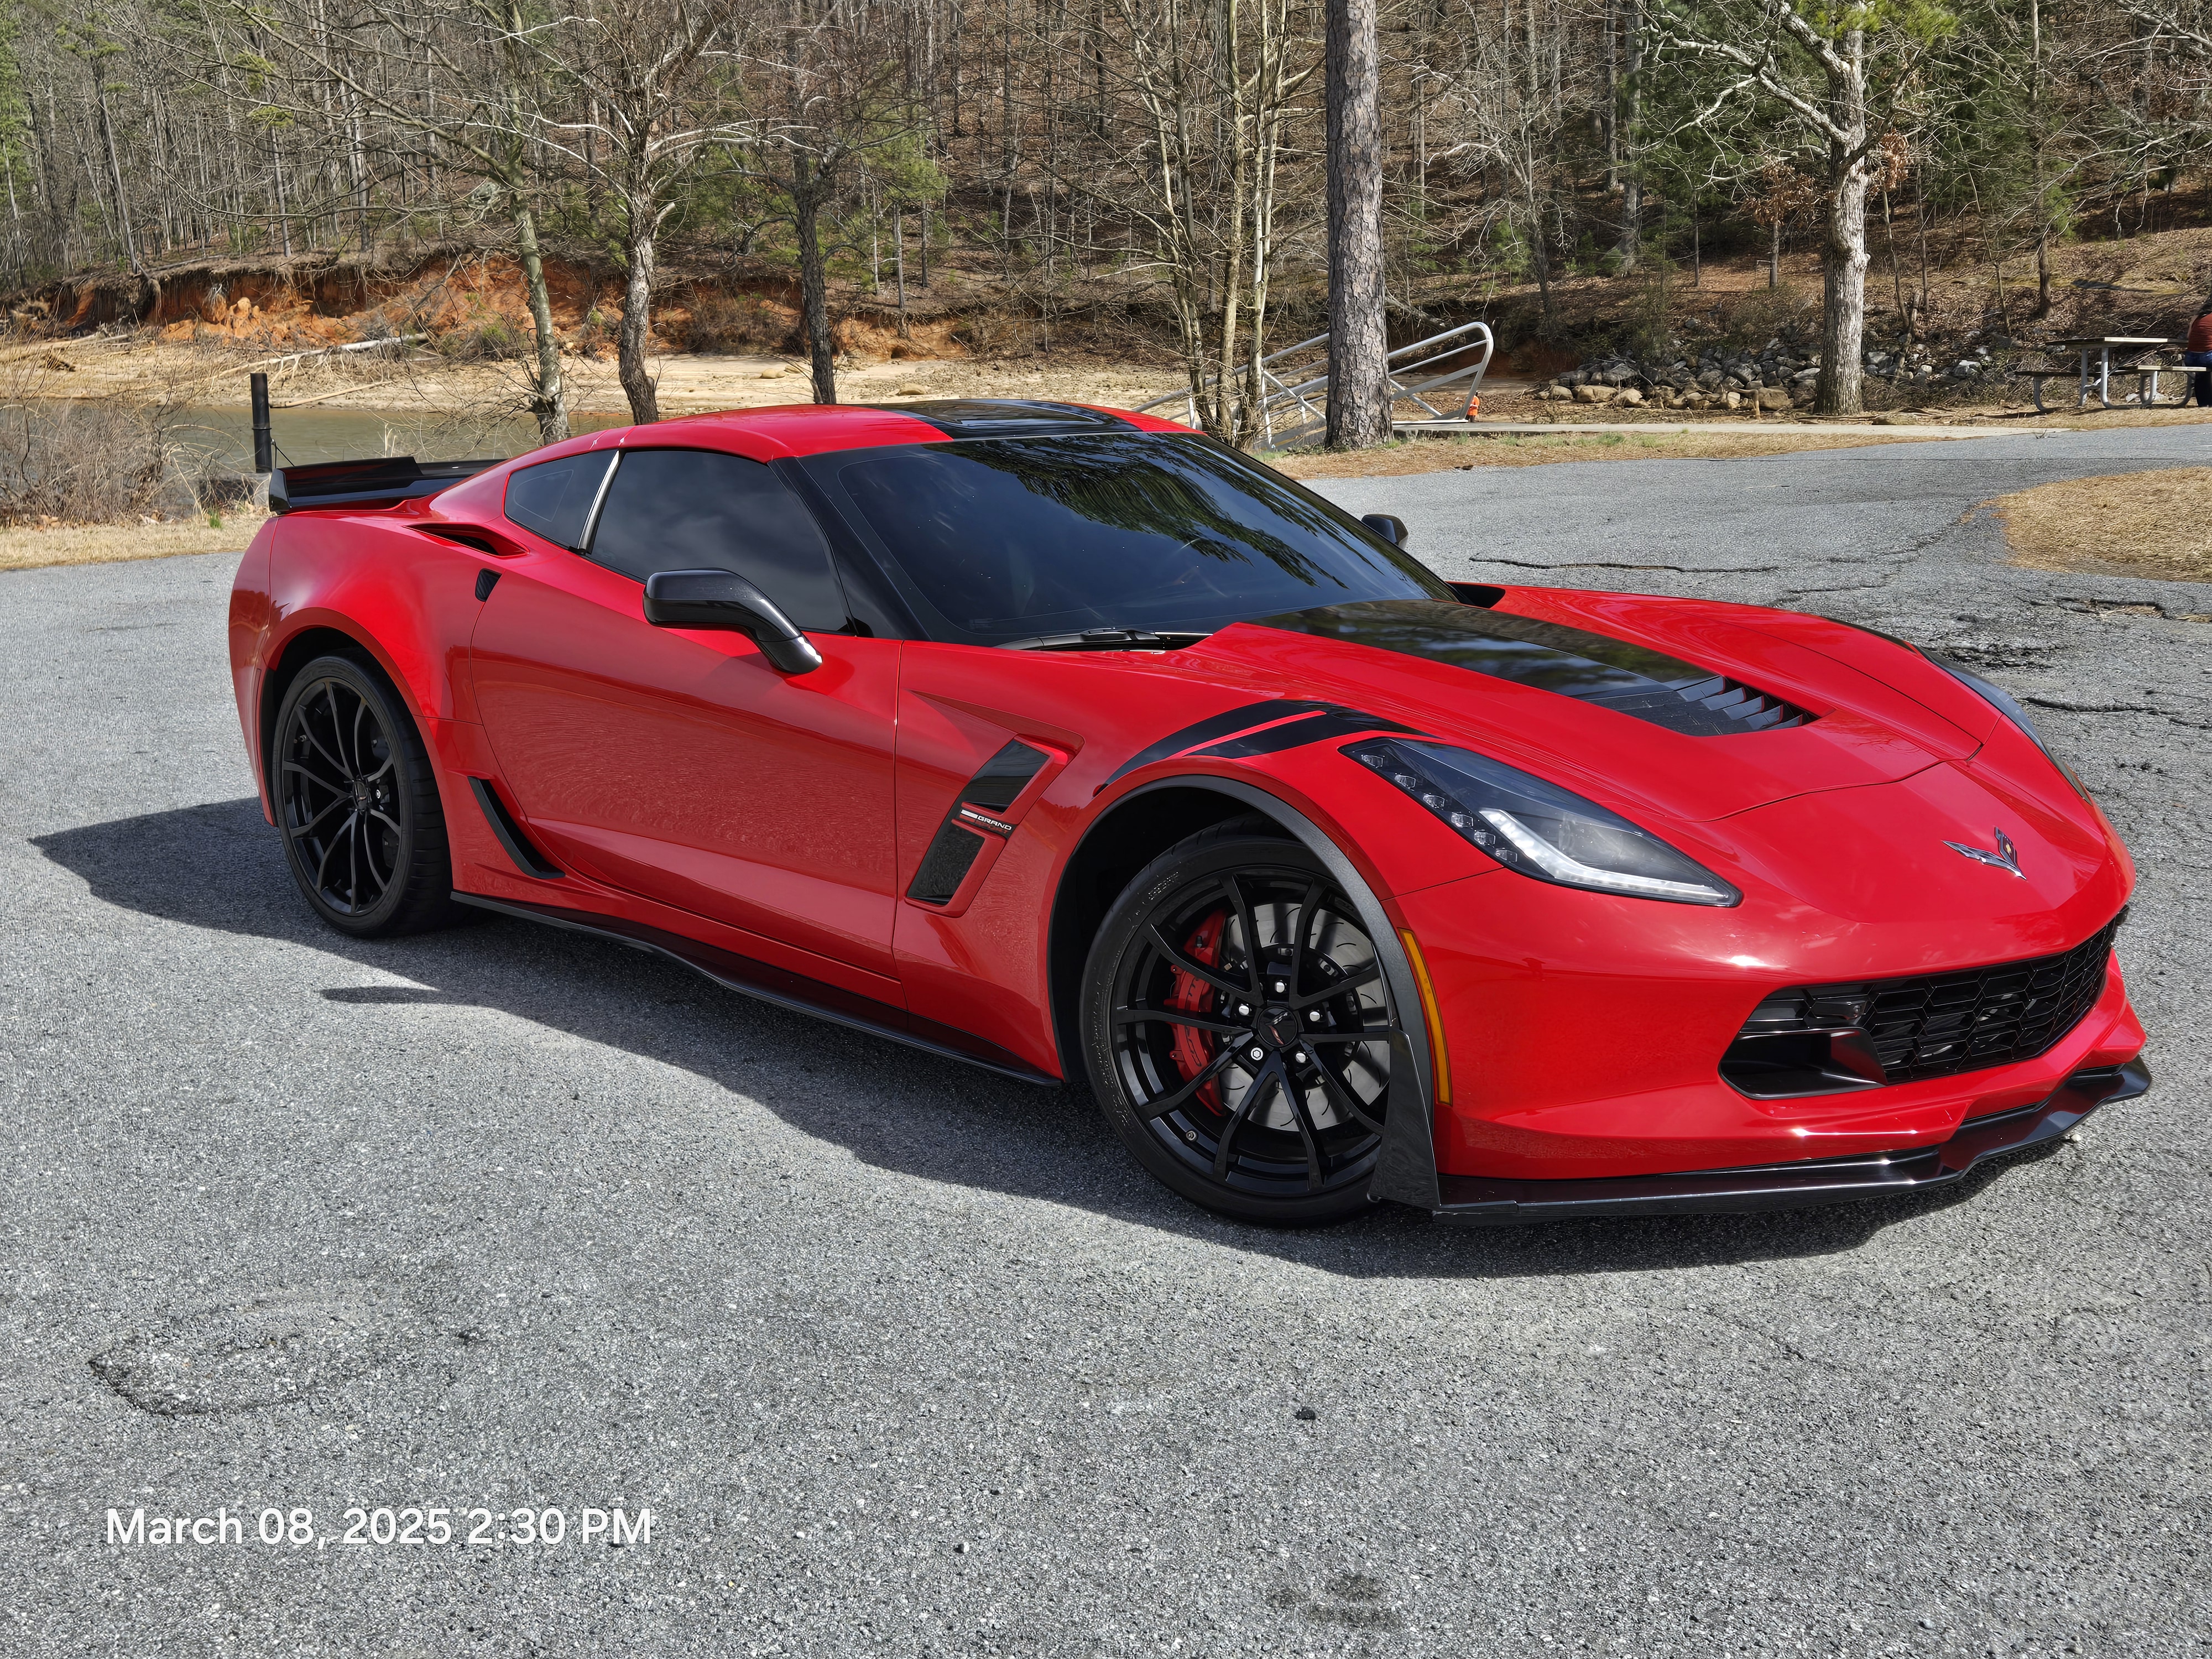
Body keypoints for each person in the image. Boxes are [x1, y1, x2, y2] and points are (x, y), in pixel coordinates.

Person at [2187, 301, 2212, 408]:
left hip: (2191, 358)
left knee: (2201, 375)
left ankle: (2204, 403)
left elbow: (2189, 336)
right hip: (2208, 357)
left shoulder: (2197, 317)